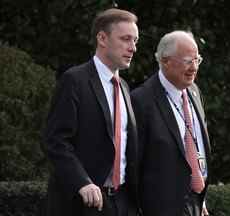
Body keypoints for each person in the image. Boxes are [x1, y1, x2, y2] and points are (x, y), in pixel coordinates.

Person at [42, 8, 139, 216]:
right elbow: (56, 140)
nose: (133, 48)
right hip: (82, 205)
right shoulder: (74, 80)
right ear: (102, 38)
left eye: (135, 41)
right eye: (126, 39)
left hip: (122, 204)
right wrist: (82, 182)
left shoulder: (123, 87)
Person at [131, 31, 211, 216]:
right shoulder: (141, 100)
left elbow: (196, 148)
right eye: (187, 60)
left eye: (197, 60)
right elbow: (134, 165)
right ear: (165, 61)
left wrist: (201, 200)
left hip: (196, 204)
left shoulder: (194, 92)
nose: (194, 68)